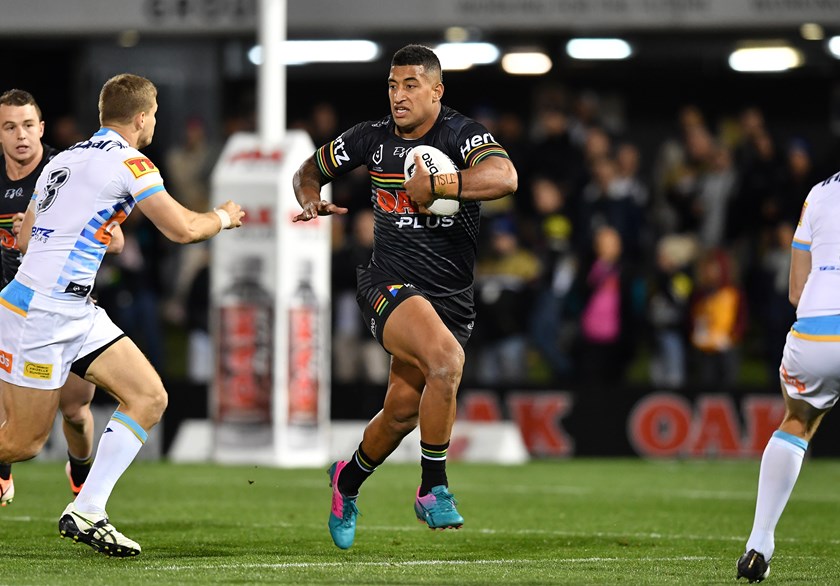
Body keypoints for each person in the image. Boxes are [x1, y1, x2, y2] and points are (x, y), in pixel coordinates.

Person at [0, 73, 244, 557]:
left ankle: (87, 510)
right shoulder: (132, 163)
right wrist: (224, 216)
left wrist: (89, 230)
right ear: (141, 118)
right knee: (23, 444)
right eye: (153, 115)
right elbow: (182, 229)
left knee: (149, 396)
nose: (154, 122)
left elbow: (26, 237)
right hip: (42, 311)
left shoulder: (63, 159)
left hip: (70, 306)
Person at [292, 44, 517, 549]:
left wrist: (442, 183)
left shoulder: (461, 134)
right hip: (387, 283)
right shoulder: (369, 139)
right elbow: (309, 169)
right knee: (446, 360)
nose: (399, 96)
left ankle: (344, 482)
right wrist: (310, 198)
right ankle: (432, 488)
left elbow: (505, 176)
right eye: (393, 86)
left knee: (400, 411)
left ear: (437, 91)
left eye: (411, 85)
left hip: (451, 298)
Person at [0, 89, 124, 507]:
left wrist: (40, 229)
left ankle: (80, 470)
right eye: (10, 127)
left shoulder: (64, 168)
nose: (21, 135)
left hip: (59, 308)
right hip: (12, 308)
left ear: (42, 129)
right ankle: (3, 473)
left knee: (74, 409)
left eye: (29, 125)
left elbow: (117, 239)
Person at [735, 169, 839, 582]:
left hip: (815, 332)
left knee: (797, 423)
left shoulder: (818, 192)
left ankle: (759, 544)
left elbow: (796, 290)